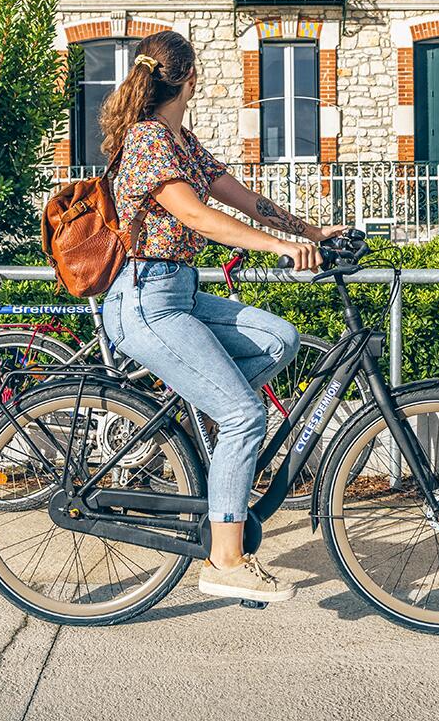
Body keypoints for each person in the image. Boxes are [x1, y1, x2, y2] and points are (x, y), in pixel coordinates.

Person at [95, 30, 342, 605]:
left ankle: (217, 423)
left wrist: (310, 231)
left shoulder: (182, 141)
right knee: (245, 416)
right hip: (145, 299)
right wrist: (281, 250)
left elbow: (241, 197)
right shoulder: (149, 140)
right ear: (190, 79)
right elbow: (202, 218)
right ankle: (225, 560)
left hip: (177, 292)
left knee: (278, 337)